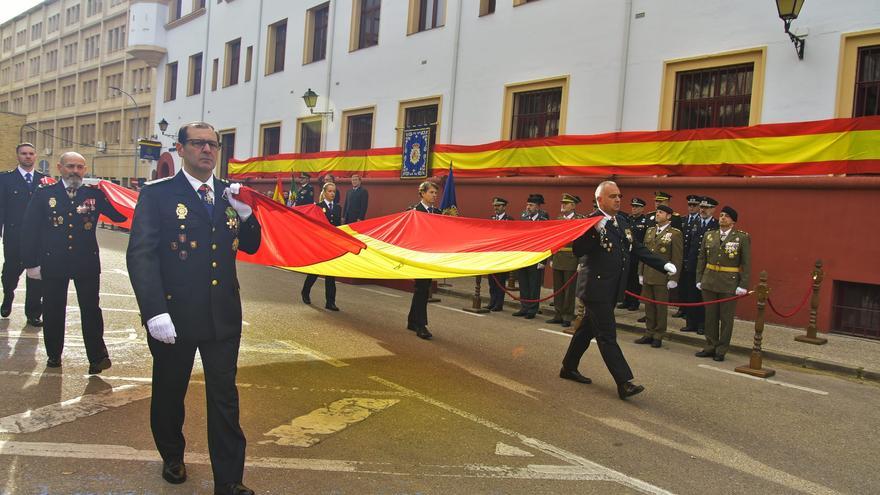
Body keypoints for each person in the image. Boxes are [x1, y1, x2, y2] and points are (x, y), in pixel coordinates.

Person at [126, 122, 261, 495]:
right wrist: (154, 311)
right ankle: (172, 454)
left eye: (212, 144)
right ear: (182, 149)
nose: (207, 150)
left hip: (222, 317)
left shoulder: (228, 193)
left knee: (225, 399)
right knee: (170, 392)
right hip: (174, 316)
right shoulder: (158, 195)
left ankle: (229, 480)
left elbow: (250, 246)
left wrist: (248, 216)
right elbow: (141, 256)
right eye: (198, 144)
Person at [560, 181, 677, 400]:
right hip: (595, 288)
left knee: (586, 330)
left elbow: (637, 248)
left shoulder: (621, 221)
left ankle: (568, 367)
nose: (618, 199)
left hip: (612, 288)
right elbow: (578, 250)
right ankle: (624, 382)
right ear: (600, 200)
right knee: (607, 335)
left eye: (619, 196)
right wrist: (594, 232)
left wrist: (662, 264)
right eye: (612, 196)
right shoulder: (589, 221)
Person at [20, 152, 126, 371]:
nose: (75, 171)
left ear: (85, 170)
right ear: (60, 168)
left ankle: (97, 357)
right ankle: (54, 354)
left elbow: (119, 217)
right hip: (53, 262)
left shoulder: (93, 195)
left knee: (91, 310)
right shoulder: (44, 194)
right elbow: (30, 230)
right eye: (70, 166)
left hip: (85, 262)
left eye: (79, 167)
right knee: (53, 309)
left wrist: (111, 194)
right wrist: (31, 263)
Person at [695, 205, 750, 362]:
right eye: (721, 215)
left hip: (729, 282)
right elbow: (701, 259)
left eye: (726, 216)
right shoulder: (710, 235)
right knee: (710, 316)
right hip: (709, 280)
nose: (722, 218)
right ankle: (710, 345)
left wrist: (743, 284)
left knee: (726, 318)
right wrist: (699, 279)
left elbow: (746, 263)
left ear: (733, 221)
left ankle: (721, 349)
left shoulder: (742, 238)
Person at [0, 142, 47, 325]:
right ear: (18, 156)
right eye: (24, 153)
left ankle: (33, 313)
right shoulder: (5, 179)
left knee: (36, 275)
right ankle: (8, 296)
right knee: (11, 272)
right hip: (14, 235)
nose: (28, 156)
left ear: (35, 156)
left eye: (31, 153)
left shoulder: (45, 180)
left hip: (38, 238)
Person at [634, 205, 683, 348]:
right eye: (657, 212)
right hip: (648, 273)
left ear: (668, 216)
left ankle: (658, 335)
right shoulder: (650, 231)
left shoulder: (675, 234)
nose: (657, 214)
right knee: (648, 306)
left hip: (662, 276)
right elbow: (644, 253)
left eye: (661, 212)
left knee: (660, 308)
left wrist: (674, 278)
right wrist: (640, 272)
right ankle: (649, 332)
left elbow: (677, 258)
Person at [406, 181, 441, 340]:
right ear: (422, 193)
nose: (434, 195)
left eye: (435, 193)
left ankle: (412, 320)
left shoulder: (438, 213)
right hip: (418, 255)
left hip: (431, 256)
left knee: (422, 288)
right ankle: (421, 325)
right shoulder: (413, 211)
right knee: (422, 288)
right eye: (431, 192)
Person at [302, 182, 341, 310]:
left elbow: (338, 227)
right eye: (330, 191)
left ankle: (330, 302)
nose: (332, 194)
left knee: (331, 274)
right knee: (315, 272)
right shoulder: (318, 207)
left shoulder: (337, 208)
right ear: (324, 193)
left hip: (332, 245)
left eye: (334, 191)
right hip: (320, 244)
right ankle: (305, 292)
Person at [682, 196, 718, 334]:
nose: (703, 210)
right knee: (691, 295)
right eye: (702, 207)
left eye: (707, 208)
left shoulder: (716, 225)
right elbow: (688, 244)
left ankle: (703, 324)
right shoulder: (693, 222)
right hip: (692, 266)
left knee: (704, 297)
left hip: (707, 268)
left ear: (713, 210)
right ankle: (691, 322)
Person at [547, 193, 584, 328]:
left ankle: (567, 316)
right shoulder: (558, 218)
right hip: (558, 257)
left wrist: (581, 261)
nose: (563, 205)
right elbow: (554, 239)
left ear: (573, 206)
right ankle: (558, 314)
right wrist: (551, 257)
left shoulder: (579, 220)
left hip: (571, 258)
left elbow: (581, 243)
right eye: (562, 202)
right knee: (558, 288)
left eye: (566, 203)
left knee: (569, 290)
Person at [512, 194, 549, 319]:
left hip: (537, 256)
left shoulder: (544, 219)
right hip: (524, 255)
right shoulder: (524, 217)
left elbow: (546, 240)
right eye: (527, 205)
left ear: (538, 207)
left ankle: (532, 309)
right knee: (523, 282)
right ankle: (524, 307)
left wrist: (543, 260)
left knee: (534, 284)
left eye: (531, 205)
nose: (528, 207)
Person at [673, 195, 704, 319]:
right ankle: (682, 308)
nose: (691, 208)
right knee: (682, 284)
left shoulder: (699, 221)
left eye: (694, 205)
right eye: (689, 205)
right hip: (682, 257)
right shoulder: (683, 219)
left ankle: (690, 311)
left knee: (692, 287)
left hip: (694, 259)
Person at [618, 197, 647, 312]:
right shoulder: (628, 219)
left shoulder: (645, 221)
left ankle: (634, 302)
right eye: (633, 206)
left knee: (635, 281)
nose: (634, 209)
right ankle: (626, 300)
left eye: (637, 207)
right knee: (626, 278)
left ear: (642, 208)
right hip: (627, 254)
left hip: (637, 255)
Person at [487, 196, 514, 312]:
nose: (496, 208)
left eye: (498, 206)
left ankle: (499, 303)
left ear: (504, 207)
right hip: (492, 254)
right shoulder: (492, 218)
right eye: (494, 206)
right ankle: (492, 301)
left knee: (500, 281)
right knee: (492, 281)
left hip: (503, 254)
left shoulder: (509, 220)